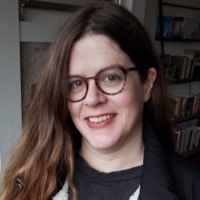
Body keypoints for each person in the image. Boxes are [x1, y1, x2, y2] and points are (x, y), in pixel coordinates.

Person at [0, 2, 200, 200]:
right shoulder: (30, 181)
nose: (93, 99)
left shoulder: (192, 188)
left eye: (111, 77)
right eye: (75, 83)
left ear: (147, 83)